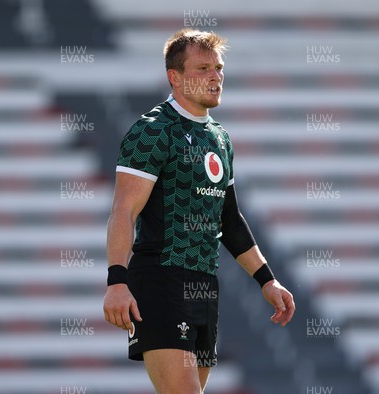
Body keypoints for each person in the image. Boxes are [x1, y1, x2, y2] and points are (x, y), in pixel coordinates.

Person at [103, 28, 295, 394]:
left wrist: (267, 281)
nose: (216, 77)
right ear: (174, 77)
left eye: (219, 68)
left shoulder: (219, 138)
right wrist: (116, 281)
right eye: (203, 68)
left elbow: (230, 220)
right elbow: (123, 210)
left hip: (204, 286)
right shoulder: (153, 131)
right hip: (160, 280)